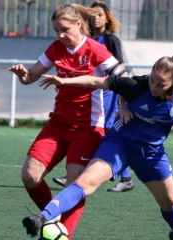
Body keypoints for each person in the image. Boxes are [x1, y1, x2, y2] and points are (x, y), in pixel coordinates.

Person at [23, 53, 173, 240]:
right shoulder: (136, 85)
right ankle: (43, 217)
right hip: (120, 144)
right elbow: (96, 80)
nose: (153, 86)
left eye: (160, 84)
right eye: (152, 79)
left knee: (169, 202)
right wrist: (64, 80)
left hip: (151, 153)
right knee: (85, 183)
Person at [8, 3, 127, 240]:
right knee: (30, 176)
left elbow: (123, 77)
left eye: (64, 29)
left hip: (88, 127)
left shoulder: (95, 49)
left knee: (75, 185)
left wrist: (123, 105)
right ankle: (52, 220)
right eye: (56, 30)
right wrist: (24, 75)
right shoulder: (55, 48)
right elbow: (31, 76)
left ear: (79, 25)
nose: (60, 35)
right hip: (58, 124)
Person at [52, 0, 135, 193]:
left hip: (109, 94)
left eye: (100, 14)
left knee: (106, 133)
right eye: (93, 14)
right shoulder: (86, 39)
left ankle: (122, 176)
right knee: (101, 134)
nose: (96, 18)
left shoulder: (110, 39)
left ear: (107, 18)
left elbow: (119, 70)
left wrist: (123, 103)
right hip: (93, 94)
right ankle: (122, 177)